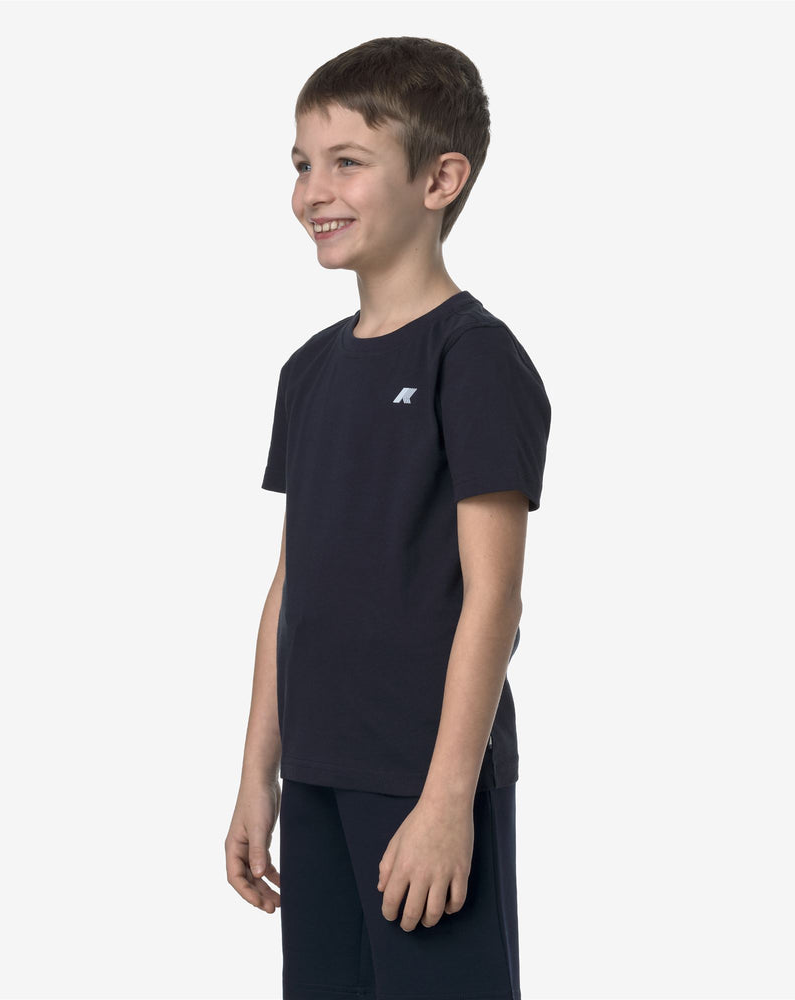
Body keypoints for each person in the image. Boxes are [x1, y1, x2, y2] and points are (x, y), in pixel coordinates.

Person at [225, 35, 551, 1000]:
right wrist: (257, 776)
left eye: (347, 162)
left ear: (440, 179)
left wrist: (448, 800)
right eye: (301, 164)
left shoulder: (474, 358)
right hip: (315, 776)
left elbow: (495, 599)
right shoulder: (309, 371)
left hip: (426, 780)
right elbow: (292, 587)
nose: (312, 192)